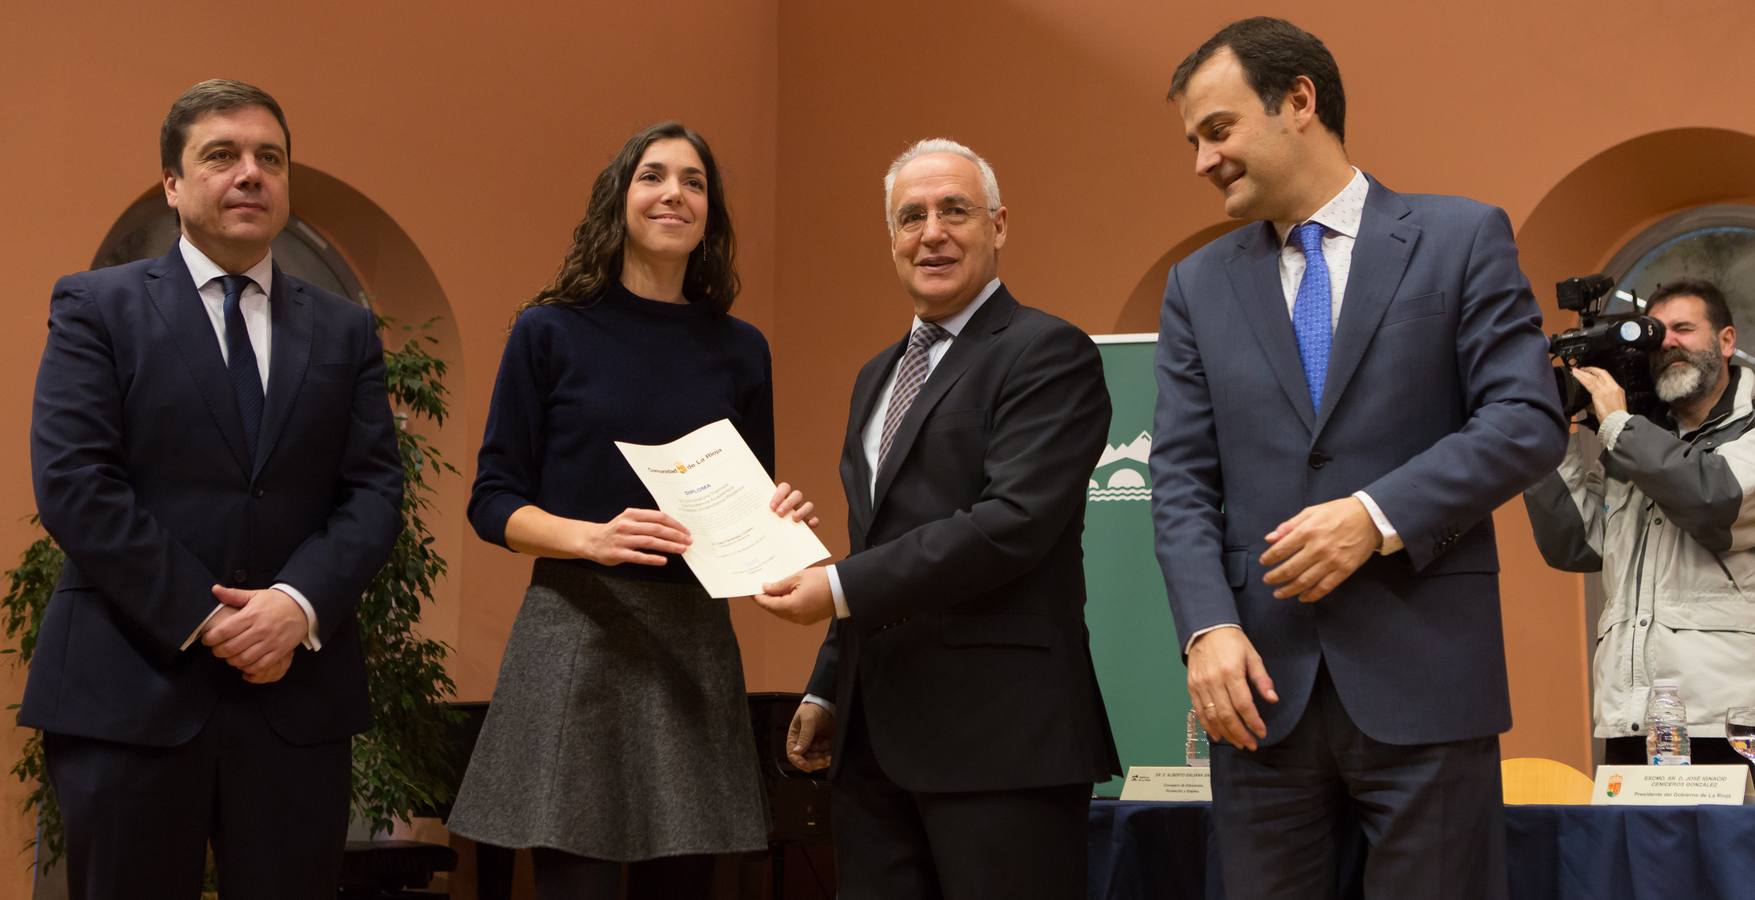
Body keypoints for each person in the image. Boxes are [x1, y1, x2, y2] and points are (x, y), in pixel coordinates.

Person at [1150, 18, 1567, 899]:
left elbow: (1526, 419)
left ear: (1297, 100)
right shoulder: (1196, 286)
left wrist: (1374, 517)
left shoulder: (1459, 240)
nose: (1200, 160)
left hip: (1427, 684)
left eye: (1217, 130)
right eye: (1191, 141)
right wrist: (1205, 629)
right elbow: (1181, 481)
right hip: (1258, 698)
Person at [23, 79, 404, 898]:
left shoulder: (345, 327)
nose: (251, 174)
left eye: (270, 157)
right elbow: (74, 483)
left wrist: (296, 604)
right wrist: (211, 617)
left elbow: (373, 492)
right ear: (172, 184)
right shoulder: (97, 307)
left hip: (295, 699)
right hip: (130, 690)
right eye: (222, 156)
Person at [446, 121, 816, 900]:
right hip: (575, 627)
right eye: (653, 176)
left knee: (682, 885)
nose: (672, 194)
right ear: (619, 199)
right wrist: (589, 537)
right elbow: (491, 501)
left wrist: (776, 520)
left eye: (693, 181)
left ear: (709, 213)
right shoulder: (548, 330)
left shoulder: (742, 349)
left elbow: (745, 498)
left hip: (692, 640)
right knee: (572, 881)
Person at [753, 138, 1119, 900]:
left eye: (954, 210)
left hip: (1002, 744)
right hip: (872, 743)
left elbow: (1011, 523)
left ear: (998, 225)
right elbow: (874, 542)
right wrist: (826, 687)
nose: (931, 233)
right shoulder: (875, 376)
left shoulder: (1047, 352)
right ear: (890, 239)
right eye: (909, 216)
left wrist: (837, 588)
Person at [1525, 279, 1755, 770]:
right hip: (1631, 717)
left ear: (1727, 341)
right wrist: (1552, 433)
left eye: (1684, 329)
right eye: (1656, 332)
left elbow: (1713, 498)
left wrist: (1617, 425)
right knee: (1633, 850)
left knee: (1732, 850)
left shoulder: (1744, 427)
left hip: (1731, 721)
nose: (1667, 341)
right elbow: (1576, 545)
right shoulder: (1637, 441)